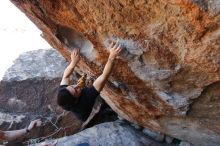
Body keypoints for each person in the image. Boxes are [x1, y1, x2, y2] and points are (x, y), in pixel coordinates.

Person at [57, 42, 122, 121]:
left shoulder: (63, 92)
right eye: (76, 91)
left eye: (71, 86)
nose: (76, 86)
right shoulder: (86, 100)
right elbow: (104, 76)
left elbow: (65, 76)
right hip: (86, 116)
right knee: (101, 115)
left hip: (72, 101)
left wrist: (73, 62)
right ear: (76, 100)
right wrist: (112, 57)